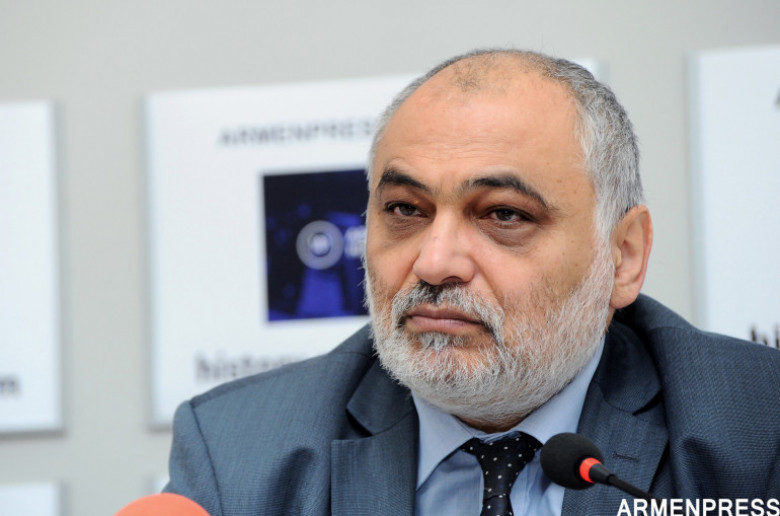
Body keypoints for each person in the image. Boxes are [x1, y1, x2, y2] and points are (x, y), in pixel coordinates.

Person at [164, 49, 780, 515]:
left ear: (622, 257)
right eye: (404, 209)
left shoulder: (757, 429)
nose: (435, 263)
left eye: (503, 215)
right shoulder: (238, 455)